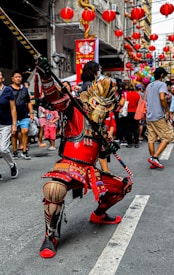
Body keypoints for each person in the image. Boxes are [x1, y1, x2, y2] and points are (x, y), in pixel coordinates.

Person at [36, 58, 133, 258]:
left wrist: (109, 145)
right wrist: (46, 76)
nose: (101, 109)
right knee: (54, 189)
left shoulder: (101, 125)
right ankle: (50, 236)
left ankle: (99, 214)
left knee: (122, 186)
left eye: (106, 106)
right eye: (99, 103)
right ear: (92, 98)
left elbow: (102, 153)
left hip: (90, 171)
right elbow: (54, 98)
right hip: (68, 166)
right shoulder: (75, 108)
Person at [146, 67, 174, 169]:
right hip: (158, 115)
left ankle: (153, 159)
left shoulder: (149, 85)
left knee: (151, 138)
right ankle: (155, 157)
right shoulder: (162, 84)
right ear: (162, 75)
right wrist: (166, 110)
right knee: (168, 136)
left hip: (149, 116)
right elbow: (162, 97)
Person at [10, 70, 34, 160]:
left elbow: (28, 102)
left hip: (24, 115)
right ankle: (15, 152)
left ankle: (24, 151)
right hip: (12, 116)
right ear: (12, 79)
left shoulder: (24, 89)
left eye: (19, 77)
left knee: (25, 131)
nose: (18, 78)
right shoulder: (8, 89)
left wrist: (31, 113)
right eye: (16, 77)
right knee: (14, 134)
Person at [0, 71, 18, 180]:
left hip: (5, 124)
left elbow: (13, 108)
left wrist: (14, 125)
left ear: (2, 78)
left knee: (3, 149)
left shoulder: (8, 90)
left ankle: (12, 165)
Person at [123, 82, 140, 148]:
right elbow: (139, 103)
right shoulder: (137, 94)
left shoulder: (125, 94)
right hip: (135, 112)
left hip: (127, 112)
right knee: (136, 128)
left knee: (128, 128)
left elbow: (121, 103)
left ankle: (129, 143)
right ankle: (136, 142)